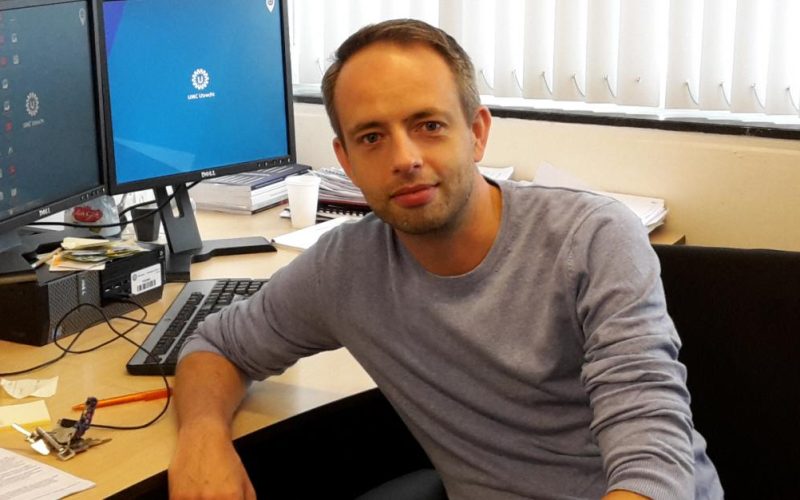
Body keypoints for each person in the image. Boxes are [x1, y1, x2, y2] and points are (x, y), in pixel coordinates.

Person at [168, 19, 723, 499]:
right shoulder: (345, 267)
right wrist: (201, 436)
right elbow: (216, 346)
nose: (405, 159)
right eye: (371, 137)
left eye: (428, 126)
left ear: (477, 133)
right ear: (345, 159)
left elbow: (653, 454)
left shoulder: (593, 239)